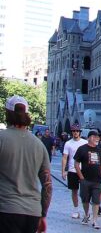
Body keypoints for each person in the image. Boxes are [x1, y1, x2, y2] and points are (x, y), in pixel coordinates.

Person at [0, 95, 53, 233]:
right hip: (32, 212)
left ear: (8, 113)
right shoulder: (38, 144)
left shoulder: (2, 139)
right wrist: (43, 215)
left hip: (5, 210)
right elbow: (47, 185)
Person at [74, 129, 101, 230]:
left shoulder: (100, 151)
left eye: (97, 137)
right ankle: (86, 215)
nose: (96, 139)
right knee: (85, 200)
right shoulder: (82, 149)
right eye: (94, 137)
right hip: (85, 179)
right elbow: (76, 164)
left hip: (97, 180)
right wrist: (81, 177)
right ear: (89, 138)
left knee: (96, 201)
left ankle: (95, 220)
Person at [62, 124, 86, 219]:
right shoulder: (68, 143)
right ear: (71, 132)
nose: (75, 132)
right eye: (73, 131)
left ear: (79, 132)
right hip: (72, 170)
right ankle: (76, 210)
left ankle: (86, 211)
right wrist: (63, 170)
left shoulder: (84, 142)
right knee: (74, 191)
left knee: (85, 191)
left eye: (77, 131)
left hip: (83, 169)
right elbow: (65, 157)